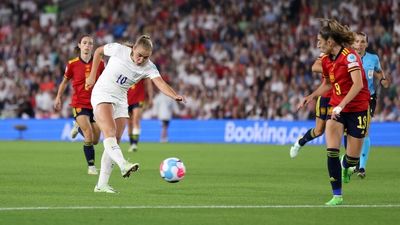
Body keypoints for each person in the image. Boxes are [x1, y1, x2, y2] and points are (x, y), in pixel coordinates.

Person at [85, 35, 185, 193]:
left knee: (115, 140)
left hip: (121, 99)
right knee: (109, 133)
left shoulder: (149, 67)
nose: (141, 60)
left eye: (146, 57)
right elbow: (98, 51)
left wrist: (174, 95)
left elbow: (160, 83)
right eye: (139, 55)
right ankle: (123, 164)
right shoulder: (119, 50)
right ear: (133, 49)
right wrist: (92, 76)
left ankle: (102, 185)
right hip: (102, 93)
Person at [298, 19, 370, 206]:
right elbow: (328, 84)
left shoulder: (350, 56)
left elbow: (358, 84)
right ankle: (337, 195)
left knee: (352, 160)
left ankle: (347, 165)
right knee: (331, 151)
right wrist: (312, 96)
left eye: (319, 41)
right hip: (338, 109)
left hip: (358, 109)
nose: (317, 44)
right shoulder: (326, 60)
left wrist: (343, 104)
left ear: (330, 42)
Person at [54, 35, 105, 175]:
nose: (87, 45)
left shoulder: (100, 63)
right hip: (79, 103)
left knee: (95, 140)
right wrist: (58, 97)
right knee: (88, 133)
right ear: (80, 45)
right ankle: (91, 167)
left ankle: (77, 126)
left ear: (92, 47)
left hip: (95, 103)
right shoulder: (72, 64)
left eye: (90, 43)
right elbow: (64, 82)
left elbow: (105, 81)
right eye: (85, 43)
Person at [351, 32, 390, 178]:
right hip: (351, 98)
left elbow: (379, 73)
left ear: (366, 44)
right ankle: (352, 162)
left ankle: (361, 167)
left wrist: (383, 80)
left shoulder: (373, 59)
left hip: (368, 97)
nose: (359, 44)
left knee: (365, 131)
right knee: (350, 132)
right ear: (353, 43)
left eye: (362, 42)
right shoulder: (348, 58)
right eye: (357, 41)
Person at [290, 48, 333, 158]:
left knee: (335, 128)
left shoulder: (348, 55)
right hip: (325, 97)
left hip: (340, 99)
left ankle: (350, 162)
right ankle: (300, 142)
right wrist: (333, 69)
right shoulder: (327, 53)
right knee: (319, 131)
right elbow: (315, 67)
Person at [127, 79, 153, 152]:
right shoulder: (125, 68)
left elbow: (148, 83)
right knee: (129, 123)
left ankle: (135, 144)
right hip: (126, 99)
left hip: (139, 98)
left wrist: (150, 98)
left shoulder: (142, 68)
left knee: (136, 120)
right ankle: (131, 143)